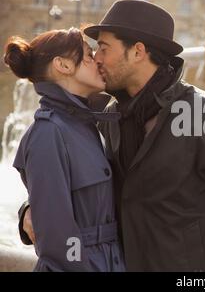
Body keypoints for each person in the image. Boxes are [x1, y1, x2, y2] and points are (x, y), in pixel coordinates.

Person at [20, 0, 205, 271]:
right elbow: (80, 187)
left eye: (104, 48)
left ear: (138, 52)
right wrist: (29, 208)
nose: (96, 58)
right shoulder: (107, 119)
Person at [5, 28, 125, 272]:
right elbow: (58, 241)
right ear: (63, 65)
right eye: (89, 56)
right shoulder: (48, 133)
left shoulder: (85, 123)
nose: (98, 61)